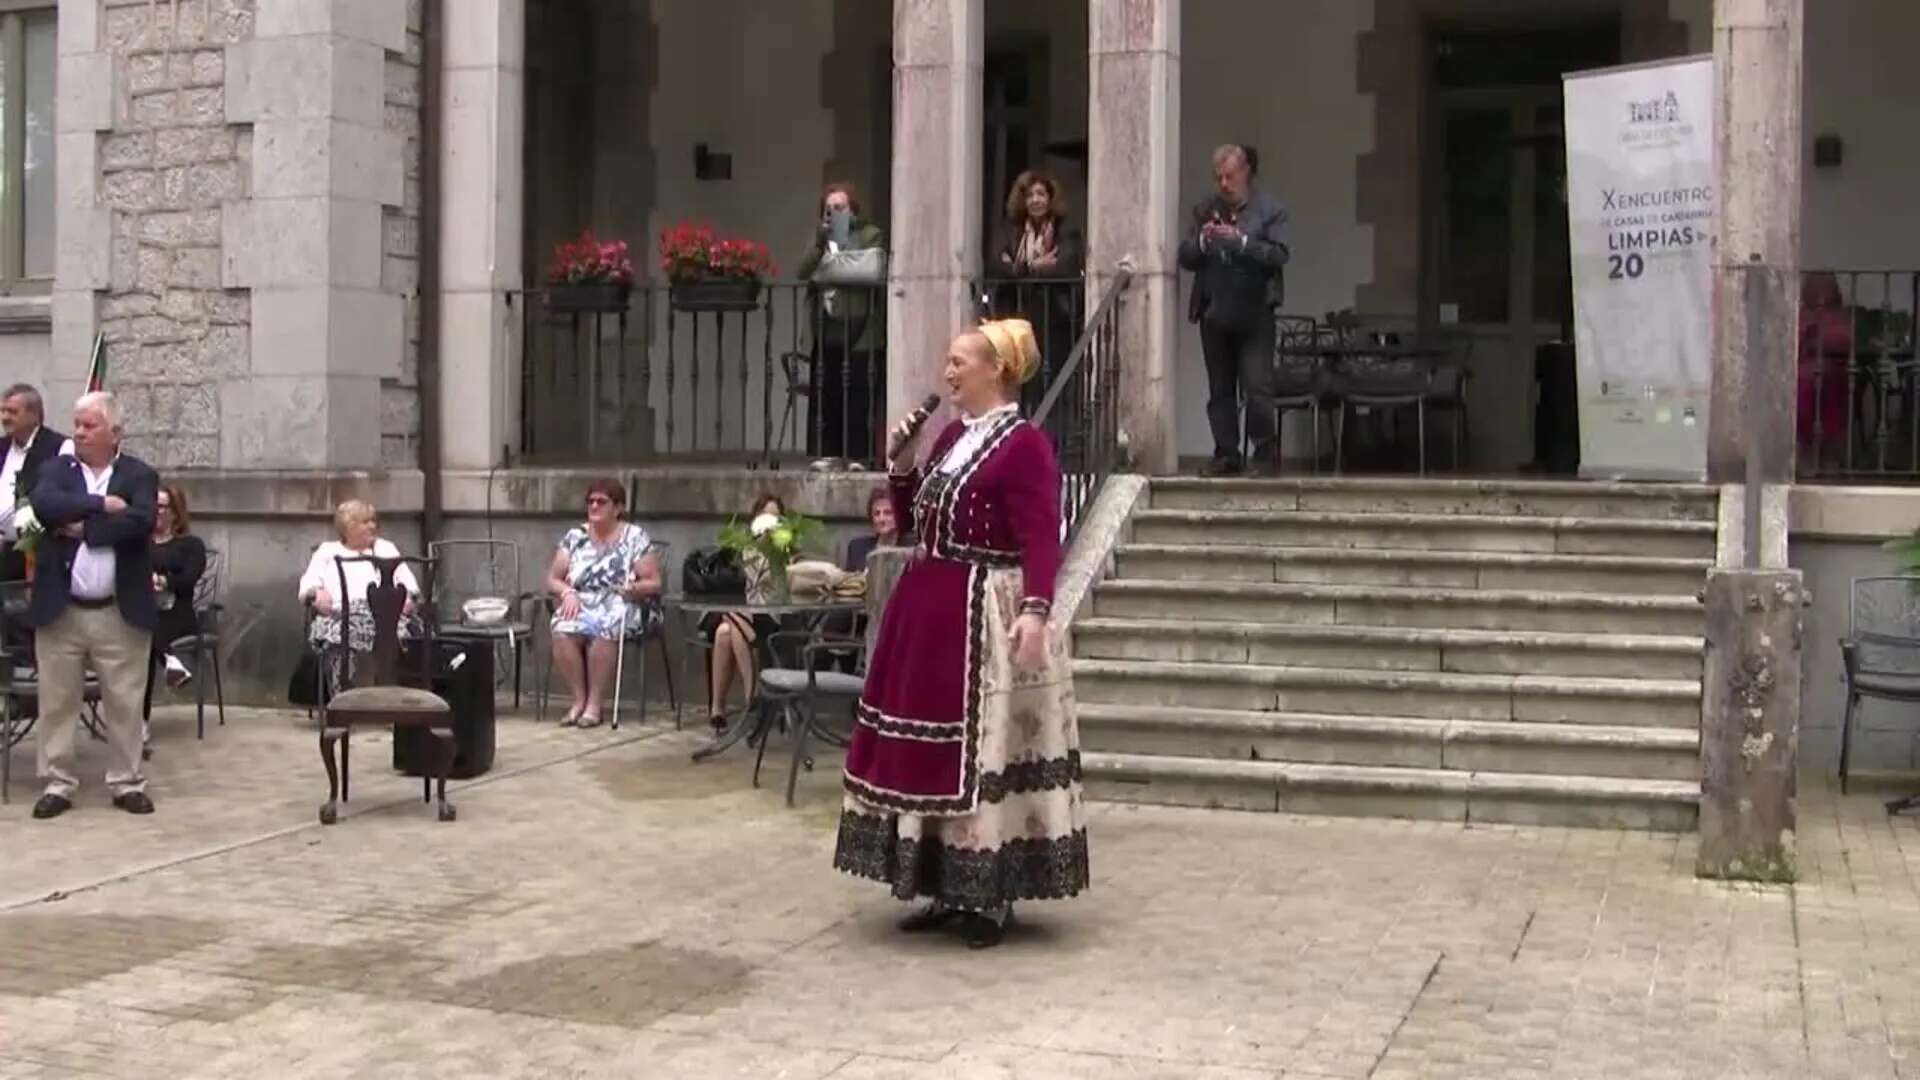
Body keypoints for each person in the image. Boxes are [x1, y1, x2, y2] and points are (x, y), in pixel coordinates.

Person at [834, 317, 1087, 949]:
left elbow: (1039, 534)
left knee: (983, 750)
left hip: (984, 612)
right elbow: (924, 512)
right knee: (929, 752)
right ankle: (940, 883)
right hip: (930, 608)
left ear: (996, 369)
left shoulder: (1024, 444)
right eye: (948, 362)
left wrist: (1036, 609)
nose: (947, 372)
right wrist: (902, 465)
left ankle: (989, 893)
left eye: (959, 362)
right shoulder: (950, 436)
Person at [24, 392, 160, 820]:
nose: (78, 433)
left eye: (89, 426)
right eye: (77, 424)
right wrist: (102, 505)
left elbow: (141, 521)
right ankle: (58, 782)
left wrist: (83, 530)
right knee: (58, 700)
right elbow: (45, 505)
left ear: (114, 432)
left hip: (118, 610)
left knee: (124, 700)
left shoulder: (139, 474)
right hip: (61, 609)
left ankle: (126, 781)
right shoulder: (56, 469)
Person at [1178, 143, 1291, 476]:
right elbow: (1185, 256)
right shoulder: (1204, 210)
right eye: (1219, 178)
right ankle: (1226, 454)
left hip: (1255, 309)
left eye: (1229, 176)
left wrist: (1240, 242)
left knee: (1257, 386)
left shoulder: (1270, 210)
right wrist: (1203, 241)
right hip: (1214, 308)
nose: (1224, 184)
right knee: (1219, 390)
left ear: (1245, 172)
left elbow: (1279, 255)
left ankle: (1265, 454)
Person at [545, 478, 663, 727]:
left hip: (623, 601)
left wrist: (634, 588)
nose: (594, 506)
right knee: (562, 627)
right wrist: (567, 593)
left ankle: (594, 705)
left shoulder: (634, 536)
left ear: (618, 508)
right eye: (591, 501)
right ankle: (578, 700)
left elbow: (654, 582)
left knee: (606, 625)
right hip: (581, 600)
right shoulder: (575, 536)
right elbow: (553, 579)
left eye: (602, 501)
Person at [797, 181, 888, 465]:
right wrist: (820, 245)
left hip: (860, 328)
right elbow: (803, 271)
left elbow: (869, 269)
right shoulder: (819, 239)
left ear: (853, 210)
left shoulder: (870, 234)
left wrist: (826, 270)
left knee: (858, 395)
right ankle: (827, 454)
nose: (834, 213)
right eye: (828, 209)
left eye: (840, 207)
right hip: (827, 328)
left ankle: (858, 455)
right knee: (827, 394)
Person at [298, 499, 420, 695]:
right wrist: (315, 594)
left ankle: (393, 700)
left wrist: (409, 598)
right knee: (337, 635)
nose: (373, 526)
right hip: (341, 615)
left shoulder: (385, 548)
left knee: (400, 634)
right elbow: (307, 586)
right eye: (365, 522)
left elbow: (410, 585)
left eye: (373, 521)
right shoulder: (328, 551)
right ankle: (342, 701)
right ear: (348, 527)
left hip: (386, 618)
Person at [991, 170, 1085, 408]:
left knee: (1052, 380)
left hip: (1053, 316)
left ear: (1051, 198)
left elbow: (1066, 265)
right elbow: (995, 265)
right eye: (1030, 195)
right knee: (1018, 379)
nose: (1035, 200)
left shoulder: (1066, 230)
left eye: (1041, 194)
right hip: (1015, 313)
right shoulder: (1010, 230)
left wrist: (1018, 267)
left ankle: (1052, 437)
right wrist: (1034, 265)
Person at [699, 492, 784, 735]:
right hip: (739, 614)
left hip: (769, 616)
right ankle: (751, 698)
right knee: (728, 626)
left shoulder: (785, 548)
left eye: (776, 518)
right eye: (765, 516)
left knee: (727, 629)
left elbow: (780, 591)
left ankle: (721, 706)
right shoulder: (739, 548)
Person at [141, 484, 206, 755]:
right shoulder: (138, 543)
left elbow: (190, 578)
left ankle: (139, 720)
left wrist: (165, 580)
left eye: (163, 506)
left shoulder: (191, 545)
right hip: (144, 609)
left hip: (177, 612)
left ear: (176, 513)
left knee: (144, 638)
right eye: (153, 506)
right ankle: (171, 663)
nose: (157, 512)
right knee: (141, 633)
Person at [0, 383, 72, 582]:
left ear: (34, 415)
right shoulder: (2, 447)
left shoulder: (60, 447)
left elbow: (62, 500)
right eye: (3, 411)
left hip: (38, 554)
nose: (5, 417)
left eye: (12, 412)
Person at [1798, 272, 1852, 463]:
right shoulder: (1802, 315)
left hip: (1833, 372)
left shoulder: (1839, 316)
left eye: (1825, 287)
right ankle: (1805, 451)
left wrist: (1815, 340)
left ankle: (1829, 454)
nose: (1820, 293)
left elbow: (1843, 341)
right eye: (1815, 287)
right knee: (1800, 386)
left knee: (1826, 389)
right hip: (1803, 374)